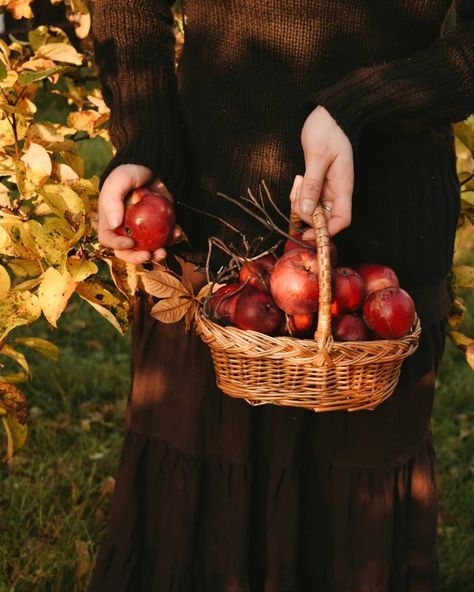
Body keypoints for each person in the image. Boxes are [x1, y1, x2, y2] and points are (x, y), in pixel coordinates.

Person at [89, 1, 474, 590]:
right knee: (199, 511)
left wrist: (361, 105)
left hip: (381, 264)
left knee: (347, 527)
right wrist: (145, 139)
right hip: (216, 239)